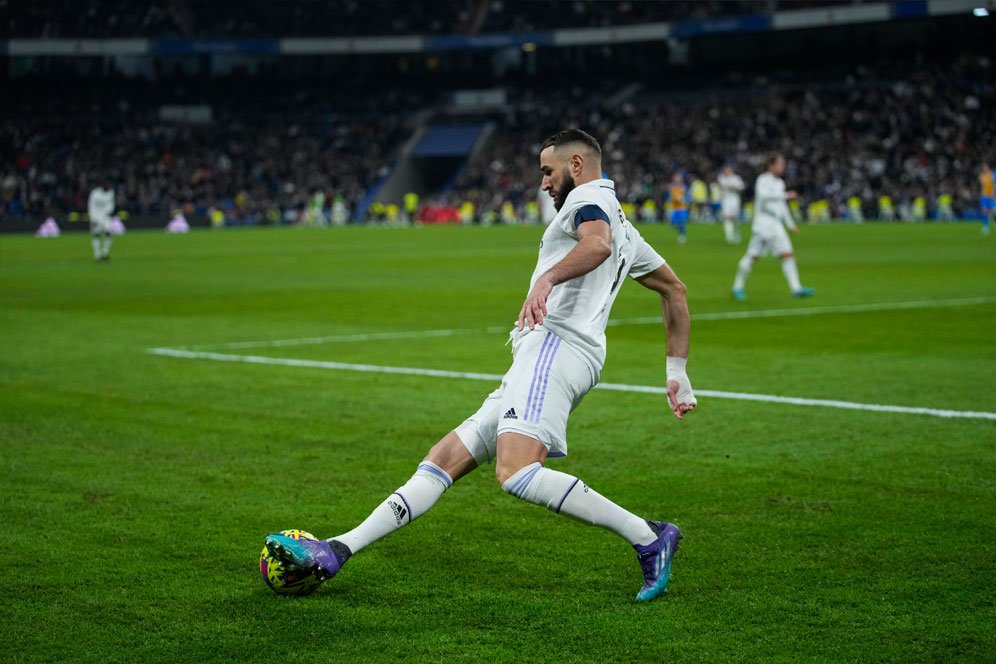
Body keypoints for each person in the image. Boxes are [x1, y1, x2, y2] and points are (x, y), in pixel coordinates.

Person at [265, 129, 697, 602]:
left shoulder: (588, 201)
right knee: (442, 460)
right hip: (549, 356)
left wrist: (547, 279)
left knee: (516, 473)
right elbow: (674, 290)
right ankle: (339, 549)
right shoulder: (626, 227)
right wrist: (676, 374)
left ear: (577, 165)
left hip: (555, 348)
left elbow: (596, 244)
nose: (544, 184)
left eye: (548, 172)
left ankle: (649, 536)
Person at [731, 154, 814, 300]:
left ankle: (796, 288)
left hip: (776, 225)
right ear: (771, 165)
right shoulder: (763, 180)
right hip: (763, 225)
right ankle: (737, 287)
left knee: (787, 254)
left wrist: (790, 224)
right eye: (780, 164)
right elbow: (763, 196)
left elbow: (782, 206)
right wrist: (785, 195)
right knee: (752, 256)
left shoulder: (780, 183)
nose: (782, 167)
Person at [88, 177, 115, 261]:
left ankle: (105, 253)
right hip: (96, 217)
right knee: (96, 235)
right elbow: (90, 206)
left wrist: (110, 210)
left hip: (106, 216)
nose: (108, 187)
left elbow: (111, 203)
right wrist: (92, 218)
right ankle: (97, 255)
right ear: (102, 185)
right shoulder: (95, 193)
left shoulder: (111, 192)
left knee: (109, 233)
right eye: (107, 185)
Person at [717, 165, 745, 244]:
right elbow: (721, 186)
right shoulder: (722, 178)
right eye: (726, 170)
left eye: (728, 170)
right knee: (727, 217)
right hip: (726, 200)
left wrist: (734, 187)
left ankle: (737, 233)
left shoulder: (736, 178)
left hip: (734, 199)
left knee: (735, 218)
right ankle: (729, 237)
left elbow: (741, 187)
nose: (727, 172)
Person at [667, 172, 689, 244]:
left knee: (682, 223)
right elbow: (670, 197)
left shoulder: (683, 187)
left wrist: (682, 199)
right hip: (674, 208)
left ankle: (682, 236)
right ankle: (680, 230)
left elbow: (685, 197)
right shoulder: (671, 187)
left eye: (678, 178)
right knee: (673, 223)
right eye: (676, 178)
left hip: (682, 208)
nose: (677, 179)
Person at [979, 162, 994, 235]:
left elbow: (995, 185)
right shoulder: (981, 176)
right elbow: (983, 186)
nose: (984, 168)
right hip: (984, 196)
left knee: (994, 211)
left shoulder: (993, 175)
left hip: (992, 196)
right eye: (983, 167)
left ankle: (992, 220)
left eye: (985, 167)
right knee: (984, 211)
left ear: (988, 167)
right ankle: (985, 227)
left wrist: (994, 193)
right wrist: (981, 194)